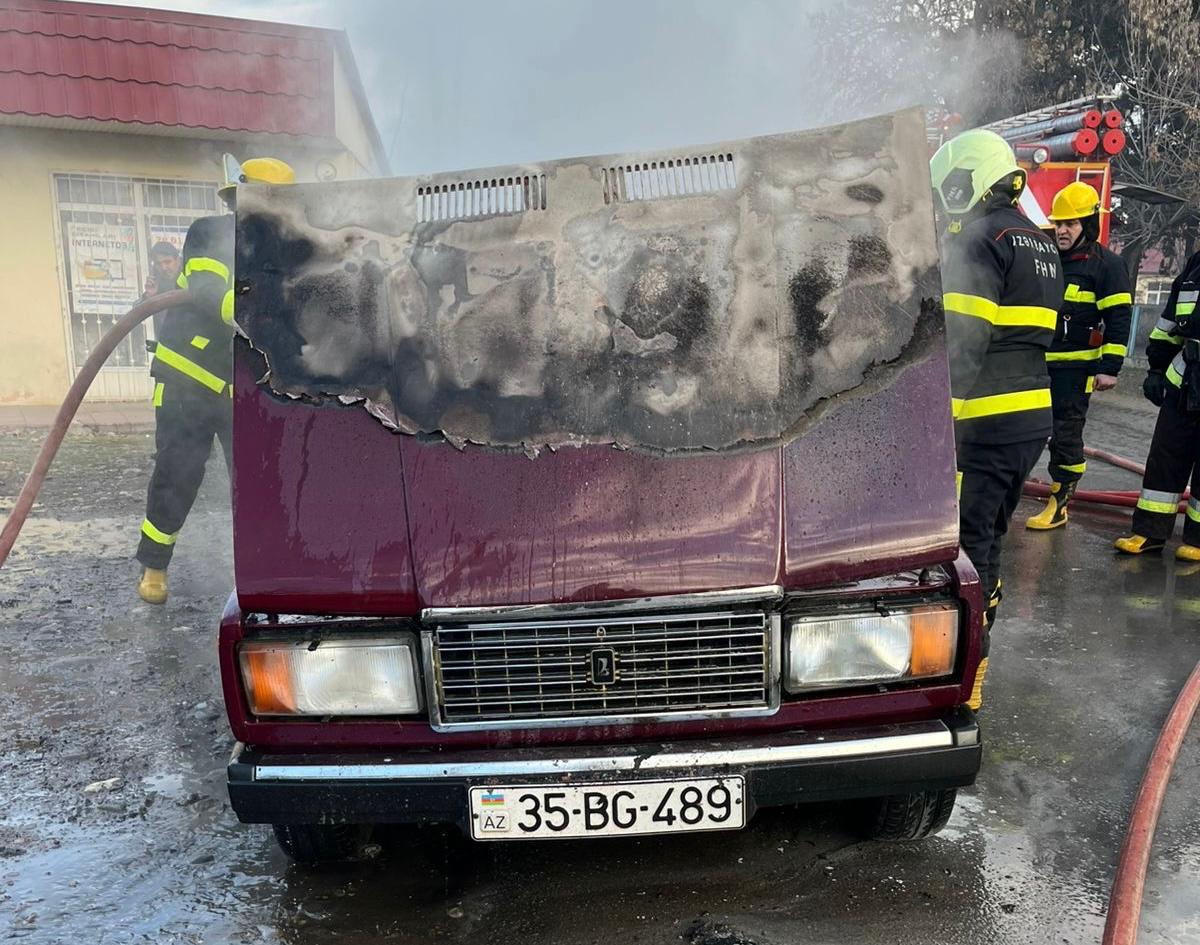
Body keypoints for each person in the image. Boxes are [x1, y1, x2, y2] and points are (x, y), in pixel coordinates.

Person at [929, 129, 1064, 709]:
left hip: (985, 422)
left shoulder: (982, 239)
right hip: (1030, 420)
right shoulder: (1038, 241)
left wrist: (937, 427)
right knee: (989, 538)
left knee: (967, 547)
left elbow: (964, 344)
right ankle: (977, 657)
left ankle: (968, 671)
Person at [137, 154, 295, 604]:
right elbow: (208, 290)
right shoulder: (210, 233)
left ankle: (261, 572)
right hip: (187, 380)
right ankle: (154, 566)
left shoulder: (279, 251)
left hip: (237, 389)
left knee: (254, 481)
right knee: (178, 474)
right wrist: (254, 316)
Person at [1026, 182, 1132, 530]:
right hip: (1037, 364)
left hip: (1076, 369)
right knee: (1025, 429)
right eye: (1058, 223)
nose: (1061, 230)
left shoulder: (1107, 266)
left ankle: (1059, 504)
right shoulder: (1048, 260)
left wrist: (1110, 368)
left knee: (1066, 434)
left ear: (1087, 225)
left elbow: (1119, 319)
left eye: (1070, 224)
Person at [1113, 249, 1200, 559]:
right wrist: (1156, 369)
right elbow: (1168, 324)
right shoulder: (1195, 266)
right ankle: (1150, 532)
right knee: (1166, 456)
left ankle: (1198, 540)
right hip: (1184, 378)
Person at [143, 241, 181, 335]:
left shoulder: (191, 278)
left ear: (178, 261)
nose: (163, 268)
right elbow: (136, 315)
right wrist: (149, 296)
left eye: (167, 262)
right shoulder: (156, 285)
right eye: (158, 264)